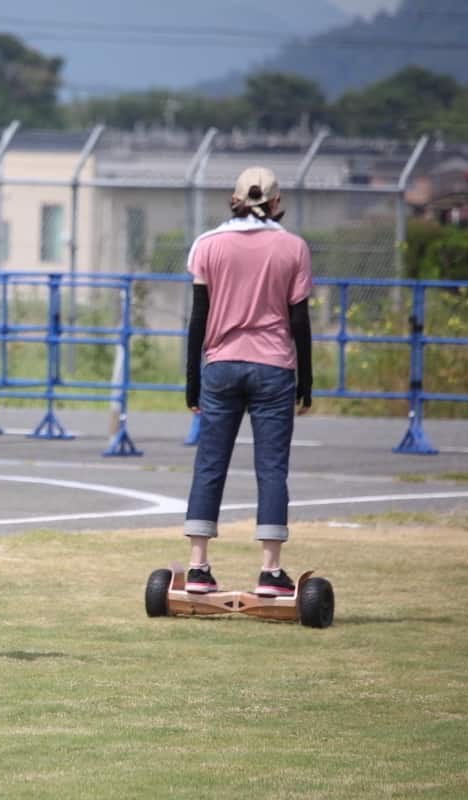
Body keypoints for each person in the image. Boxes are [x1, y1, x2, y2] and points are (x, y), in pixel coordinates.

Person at [182, 166, 313, 597]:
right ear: (276, 203)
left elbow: (198, 317)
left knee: (209, 465)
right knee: (271, 468)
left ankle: (198, 567)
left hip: (220, 366)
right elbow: (299, 320)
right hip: (275, 368)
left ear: (233, 198)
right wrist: (306, 381)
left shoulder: (208, 244)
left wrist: (192, 380)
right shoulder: (293, 248)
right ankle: (270, 571)